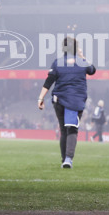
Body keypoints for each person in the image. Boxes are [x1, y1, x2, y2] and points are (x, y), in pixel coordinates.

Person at [38, 37, 96, 168]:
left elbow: (49, 81)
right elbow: (92, 70)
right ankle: (68, 159)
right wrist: (82, 56)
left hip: (59, 100)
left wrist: (40, 98)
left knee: (63, 130)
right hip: (75, 100)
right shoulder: (82, 62)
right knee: (72, 129)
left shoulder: (57, 63)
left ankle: (64, 159)